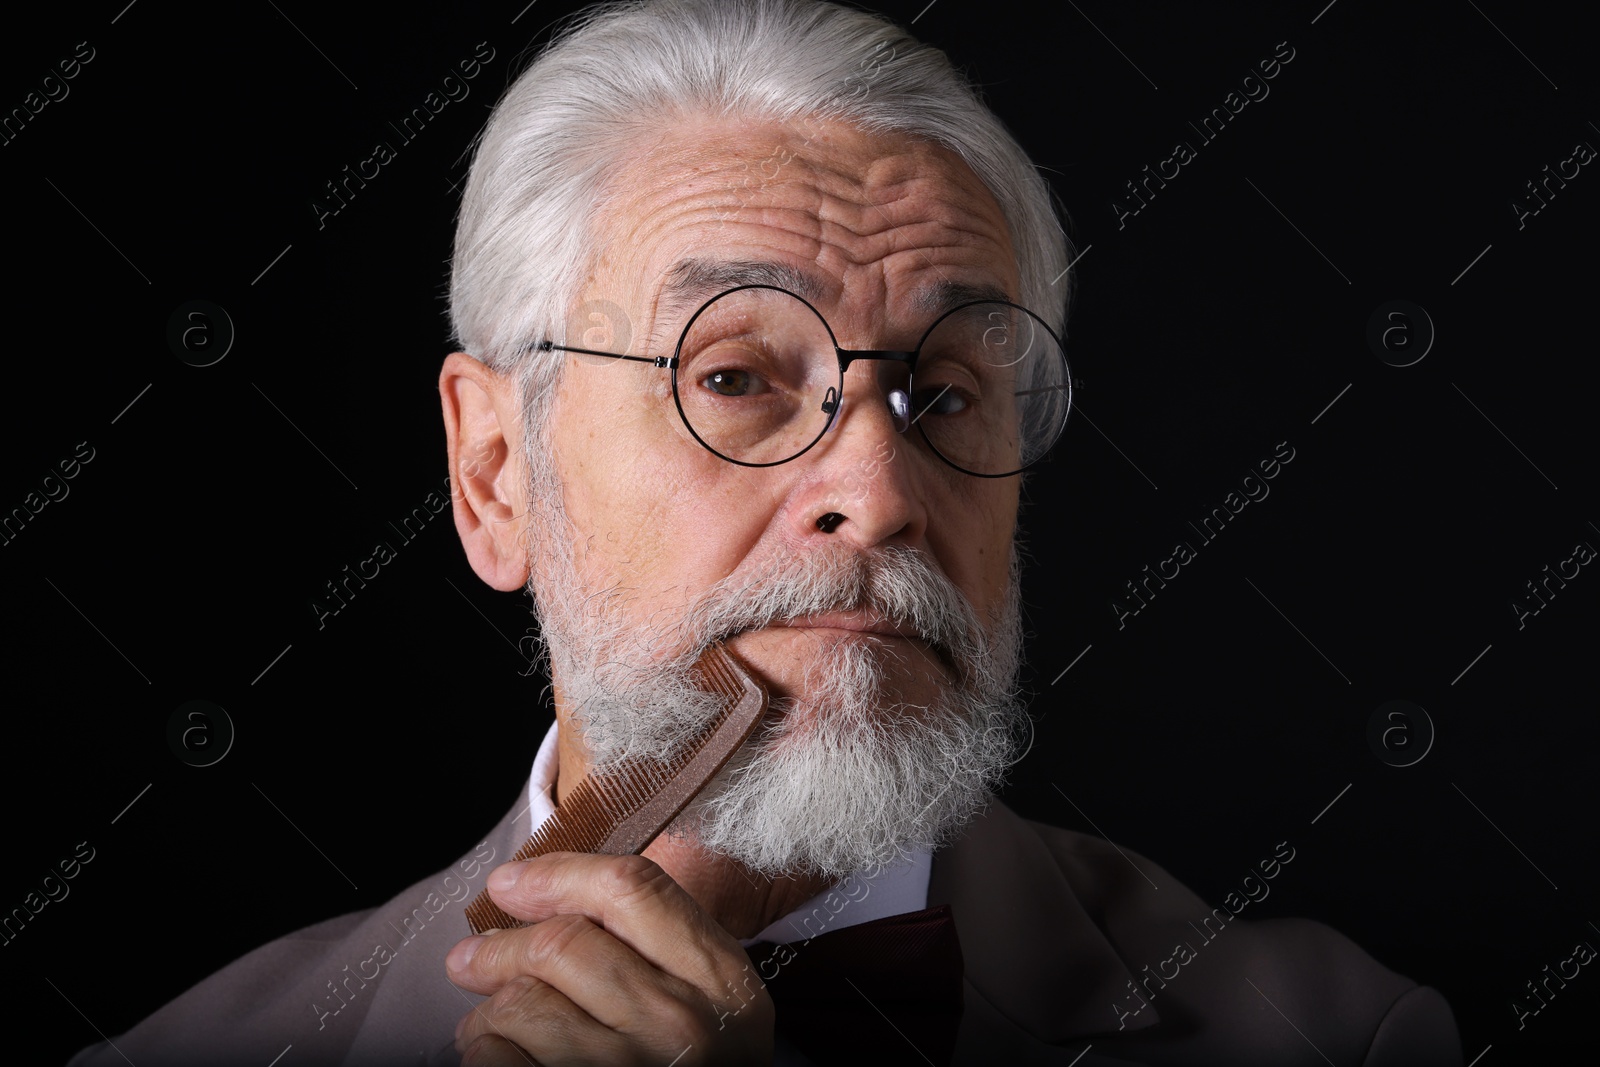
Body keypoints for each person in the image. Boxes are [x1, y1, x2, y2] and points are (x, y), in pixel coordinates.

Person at [68, 1, 1463, 1063]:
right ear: (497, 474)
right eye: (734, 376)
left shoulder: (1338, 1034)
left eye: (949, 391)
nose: (881, 485)